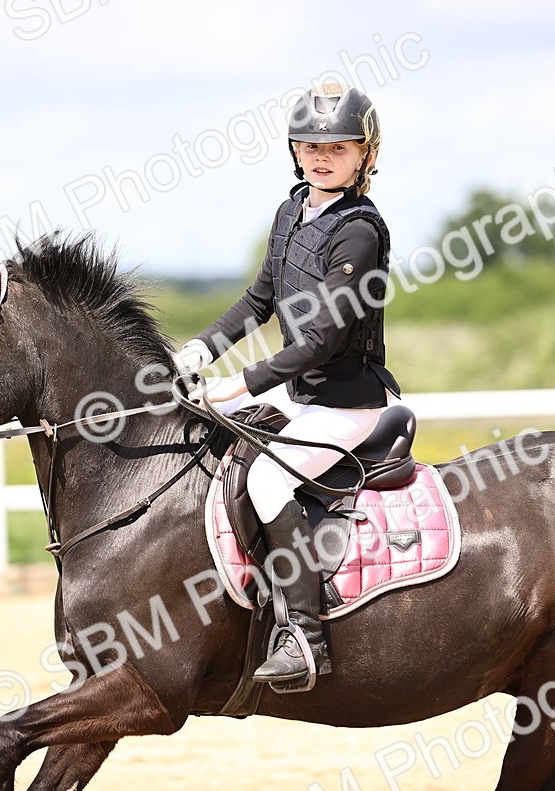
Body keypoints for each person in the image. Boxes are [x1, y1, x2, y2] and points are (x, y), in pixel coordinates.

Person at [175, 83, 401, 685]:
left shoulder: (359, 232)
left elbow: (324, 339)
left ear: (365, 155)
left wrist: (243, 382)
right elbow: (259, 300)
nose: (321, 156)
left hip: (348, 398)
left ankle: (305, 635)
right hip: (300, 391)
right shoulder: (292, 210)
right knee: (212, 443)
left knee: (270, 477)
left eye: (339, 147)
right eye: (309, 145)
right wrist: (197, 350)